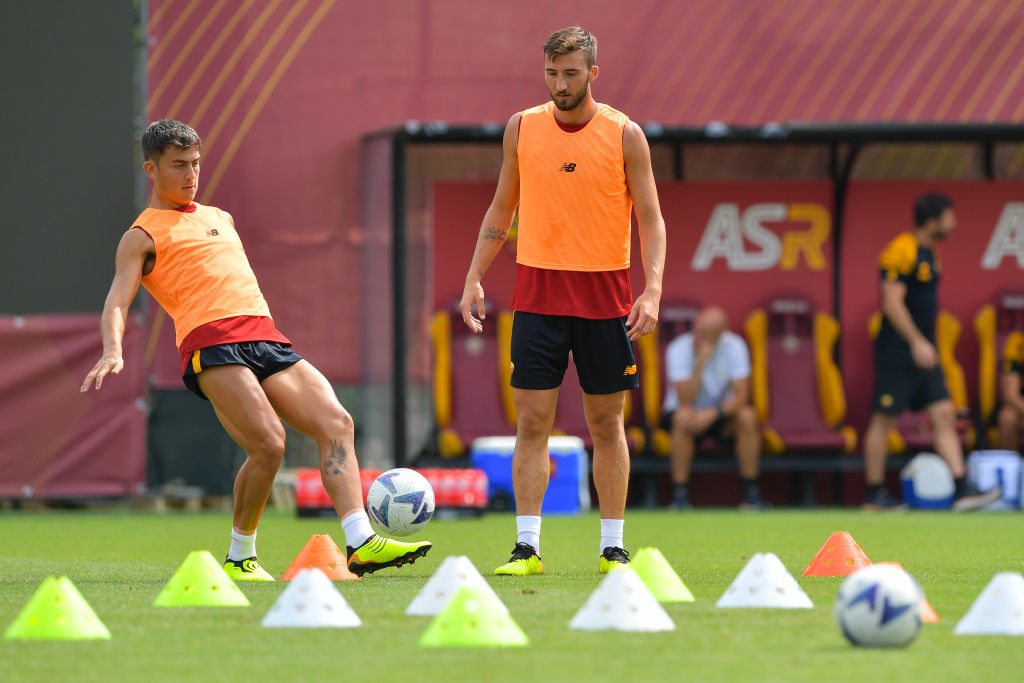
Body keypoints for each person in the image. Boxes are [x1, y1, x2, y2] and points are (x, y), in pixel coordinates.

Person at [81, 120, 431, 579]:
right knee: (269, 444)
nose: (191, 175)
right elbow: (117, 300)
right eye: (178, 166)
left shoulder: (220, 217)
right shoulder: (141, 236)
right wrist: (113, 348)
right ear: (151, 169)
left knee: (337, 422)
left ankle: (361, 542)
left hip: (267, 338)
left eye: (196, 164)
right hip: (213, 344)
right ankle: (240, 555)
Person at [460, 26, 666, 576]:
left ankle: (613, 547)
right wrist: (474, 277)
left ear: (593, 73)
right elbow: (501, 209)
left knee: (607, 423)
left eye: (571, 74)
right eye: (552, 73)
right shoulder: (521, 128)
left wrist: (652, 288)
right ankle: (527, 547)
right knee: (532, 423)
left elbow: (651, 218)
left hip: (605, 298)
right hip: (538, 295)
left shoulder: (626, 135)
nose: (560, 84)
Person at [863, 192, 1001, 510]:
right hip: (898, 350)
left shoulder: (931, 253)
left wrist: (927, 344)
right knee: (884, 419)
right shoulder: (901, 250)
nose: (954, 223)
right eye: (949, 217)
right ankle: (873, 493)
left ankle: (961, 487)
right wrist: (915, 341)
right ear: (932, 221)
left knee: (942, 413)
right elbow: (891, 303)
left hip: (925, 350)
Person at [661, 306, 769, 510]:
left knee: (747, 416)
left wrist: (713, 414)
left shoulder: (735, 346)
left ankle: (751, 494)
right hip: (687, 413)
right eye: (696, 331)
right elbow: (685, 398)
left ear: (722, 334)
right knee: (682, 418)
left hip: (719, 415)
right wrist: (700, 362)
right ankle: (680, 495)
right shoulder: (678, 348)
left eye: (705, 334)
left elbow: (741, 396)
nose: (697, 338)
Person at [995, 331, 1024, 450]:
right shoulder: (1018, 343)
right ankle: (1009, 465)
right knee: (1007, 417)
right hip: (1020, 405)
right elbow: (1011, 395)